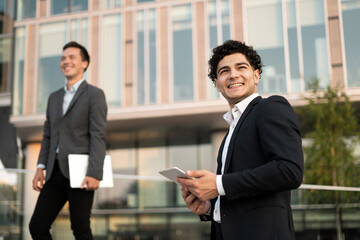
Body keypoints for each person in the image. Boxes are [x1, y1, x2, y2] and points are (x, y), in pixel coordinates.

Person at [177, 40, 304, 240]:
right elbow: (240, 192)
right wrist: (209, 206)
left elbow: (289, 171)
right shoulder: (229, 134)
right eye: (224, 71)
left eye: (241, 67)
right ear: (217, 84)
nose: (233, 75)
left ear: (256, 75)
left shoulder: (271, 107)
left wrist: (218, 184)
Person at [29, 41, 107, 240]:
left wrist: (94, 172)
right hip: (54, 171)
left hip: (81, 171)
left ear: (84, 63)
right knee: (37, 225)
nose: (66, 61)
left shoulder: (95, 95)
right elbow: (48, 135)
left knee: (80, 227)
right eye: (63, 58)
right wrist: (40, 167)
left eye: (72, 57)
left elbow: (98, 135)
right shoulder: (54, 98)